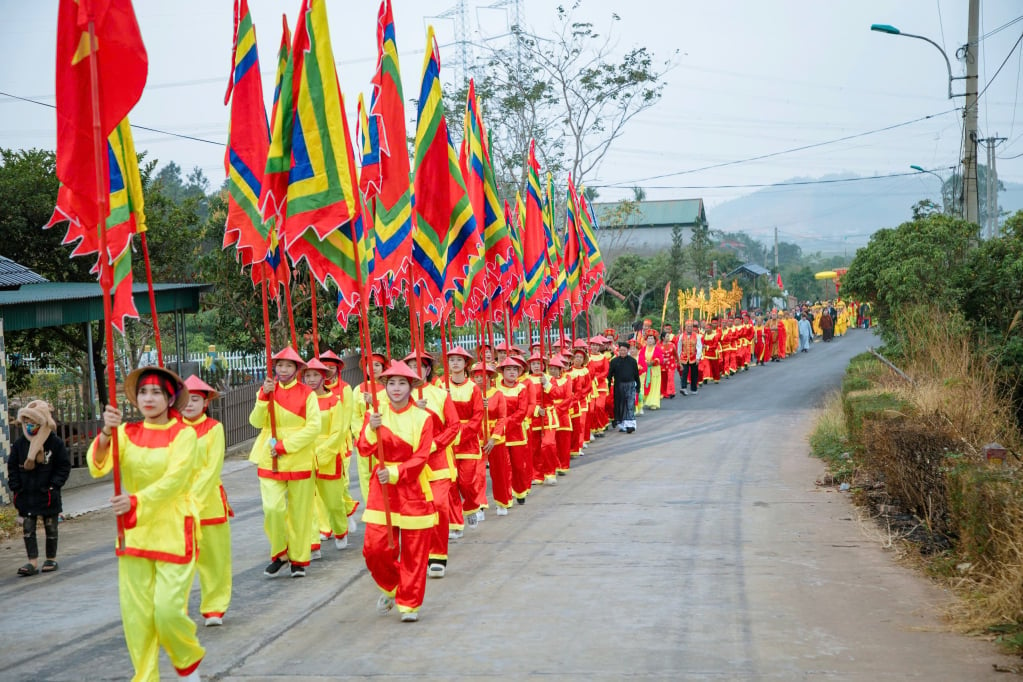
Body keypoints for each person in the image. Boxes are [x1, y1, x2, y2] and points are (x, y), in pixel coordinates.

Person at [87, 366, 204, 681]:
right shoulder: (126, 433)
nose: (148, 398)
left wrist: (136, 501)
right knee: (137, 618)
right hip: (135, 532)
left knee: (166, 612)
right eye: (143, 392)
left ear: (170, 399)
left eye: (156, 392)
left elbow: (176, 481)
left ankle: (186, 660)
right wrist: (107, 433)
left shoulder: (185, 434)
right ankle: (145, 677)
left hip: (174, 529)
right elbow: (98, 466)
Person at [358, 361, 436, 623]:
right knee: (374, 549)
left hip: (413, 488)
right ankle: (392, 586)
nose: (396, 388)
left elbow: (422, 457)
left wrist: (393, 473)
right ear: (384, 386)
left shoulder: (423, 418)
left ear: (412, 386)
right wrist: (371, 428)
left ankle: (409, 603)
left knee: (415, 552)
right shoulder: (377, 415)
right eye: (391, 383)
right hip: (381, 491)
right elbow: (363, 448)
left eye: (402, 383)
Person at [249, 347, 321, 578]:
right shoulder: (266, 390)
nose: (283, 369)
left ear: (297, 369)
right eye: (280, 365)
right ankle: (280, 553)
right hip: (269, 458)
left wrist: (285, 445)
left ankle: (298, 559)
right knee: (273, 509)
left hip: (298, 457)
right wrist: (262, 398)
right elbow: (256, 422)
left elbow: (313, 427)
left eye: (289, 365)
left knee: (300, 512)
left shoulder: (307, 394)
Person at [181, 376, 233, 627]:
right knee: (178, 561)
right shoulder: (170, 429)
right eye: (185, 399)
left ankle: (214, 606)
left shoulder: (214, 428)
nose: (189, 404)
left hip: (208, 501)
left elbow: (212, 468)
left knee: (214, 558)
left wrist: (193, 498)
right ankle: (176, 610)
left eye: (196, 399)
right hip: (175, 503)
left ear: (204, 403)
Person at [404, 351, 461, 578]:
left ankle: (438, 554)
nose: (414, 370)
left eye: (419, 366)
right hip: (410, 465)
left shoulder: (440, 395)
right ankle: (419, 555)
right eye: (409, 366)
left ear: (428, 370)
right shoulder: (399, 397)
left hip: (438, 461)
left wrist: (434, 444)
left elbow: (454, 426)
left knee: (438, 504)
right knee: (415, 510)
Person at [9, 400, 70, 577]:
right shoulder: (20, 444)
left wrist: (54, 485)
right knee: (28, 528)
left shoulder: (54, 443)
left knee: (51, 526)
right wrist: (16, 487)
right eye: (26, 422)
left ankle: (51, 558)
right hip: (26, 493)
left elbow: (63, 466)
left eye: (33, 423)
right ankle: (32, 561)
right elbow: (12, 467)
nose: (29, 426)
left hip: (47, 493)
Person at [301, 359, 352, 558]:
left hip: (329, 456)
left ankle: (340, 529)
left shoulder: (334, 401)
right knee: (309, 502)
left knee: (333, 502)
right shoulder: (302, 401)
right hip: (305, 455)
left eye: (315, 375)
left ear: (324, 377)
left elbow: (338, 432)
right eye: (307, 376)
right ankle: (313, 543)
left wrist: (322, 452)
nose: (311, 379)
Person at [445, 346, 485, 530]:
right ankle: (455, 523)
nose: (455, 363)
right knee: (451, 484)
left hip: (467, 441)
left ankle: (471, 507)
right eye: (452, 359)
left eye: (459, 360)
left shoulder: (474, 388)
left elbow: (478, 416)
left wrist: (461, 433)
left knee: (467, 482)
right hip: (447, 442)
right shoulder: (442, 386)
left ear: (466, 363)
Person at [495, 356, 534, 506]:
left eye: (514, 369)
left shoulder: (521, 388)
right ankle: (506, 494)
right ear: (502, 372)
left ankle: (520, 490)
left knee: (518, 464)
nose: (512, 372)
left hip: (517, 432)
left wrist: (506, 423)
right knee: (504, 466)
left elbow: (522, 411)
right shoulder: (496, 389)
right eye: (508, 369)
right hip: (500, 433)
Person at [607, 341, 640, 433]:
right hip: (619, 386)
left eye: (624, 350)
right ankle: (622, 425)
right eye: (621, 350)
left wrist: (638, 386)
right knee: (620, 405)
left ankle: (630, 424)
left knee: (629, 404)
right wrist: (608, 385)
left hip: (630, 385)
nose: (622, 352)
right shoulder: (614, 361)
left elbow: (636, 375)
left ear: (628, 350)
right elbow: (609, 375)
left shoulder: (632, 361)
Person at [637, 330, 664, 410]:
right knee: (646, 385)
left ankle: (654, 402)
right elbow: (640, 358)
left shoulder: (658, 349)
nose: (650, 340)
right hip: (646, 370)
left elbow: (661, 359)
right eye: (649, 338)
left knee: (655, 386)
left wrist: (653, 362)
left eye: (652, 338)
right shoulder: (643, 349)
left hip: (655, 370)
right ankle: (646, 400)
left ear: (655, 340)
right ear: (646, 339)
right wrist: (645, 363)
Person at [676, 320, 702, 395]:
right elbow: (679, 347)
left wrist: (698, 357)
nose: (689, 328)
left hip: (693, 357)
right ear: (685, 327)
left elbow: (699, 347)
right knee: (684, 372)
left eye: (690, 327)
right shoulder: (681, 336)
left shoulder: (697, 336)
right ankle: (683, 388)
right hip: (684, 357)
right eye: (688, 327)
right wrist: (678, 357)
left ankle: (693, 388)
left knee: (694, 373)